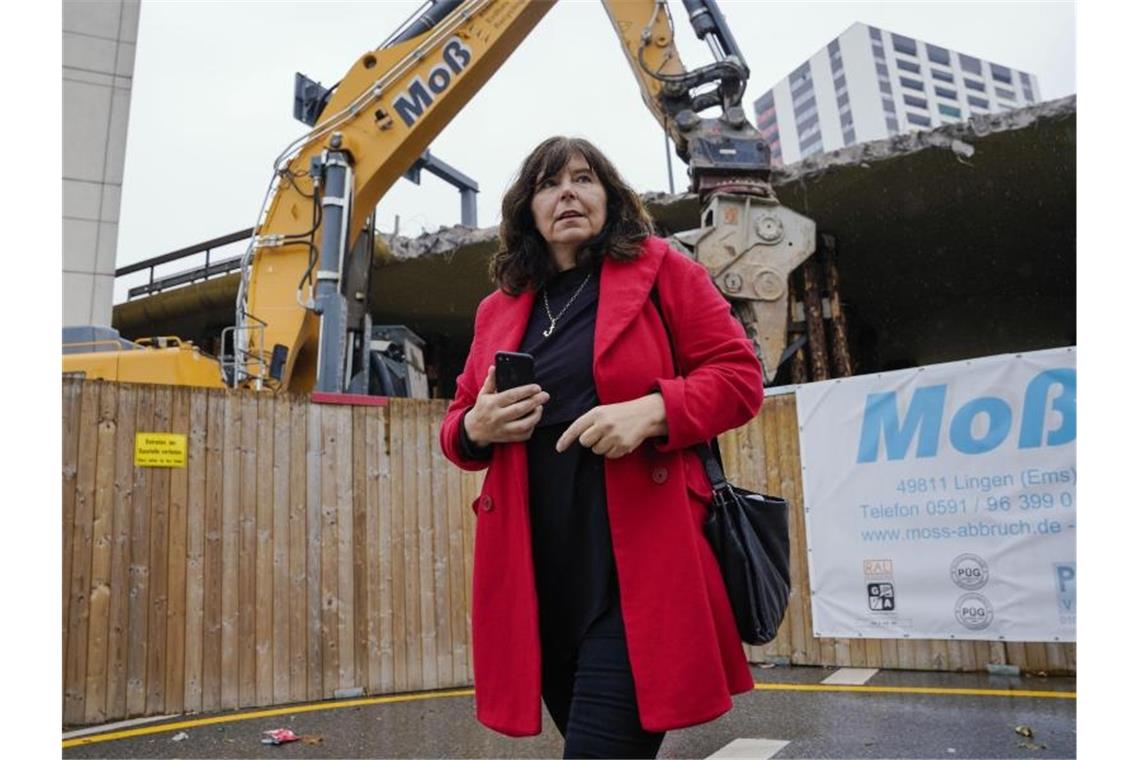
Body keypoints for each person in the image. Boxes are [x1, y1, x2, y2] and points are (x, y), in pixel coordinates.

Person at [439, 136, 764, 758]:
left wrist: (654, 411)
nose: (567, 192)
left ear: (609, 199)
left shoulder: (663, 269)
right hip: (540, 581)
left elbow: (740, 377)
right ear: (527, 210)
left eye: (584, 179)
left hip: (638, 576)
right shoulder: (499, 310)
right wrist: (475, 427)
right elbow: (457, 425)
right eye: (548, 183)